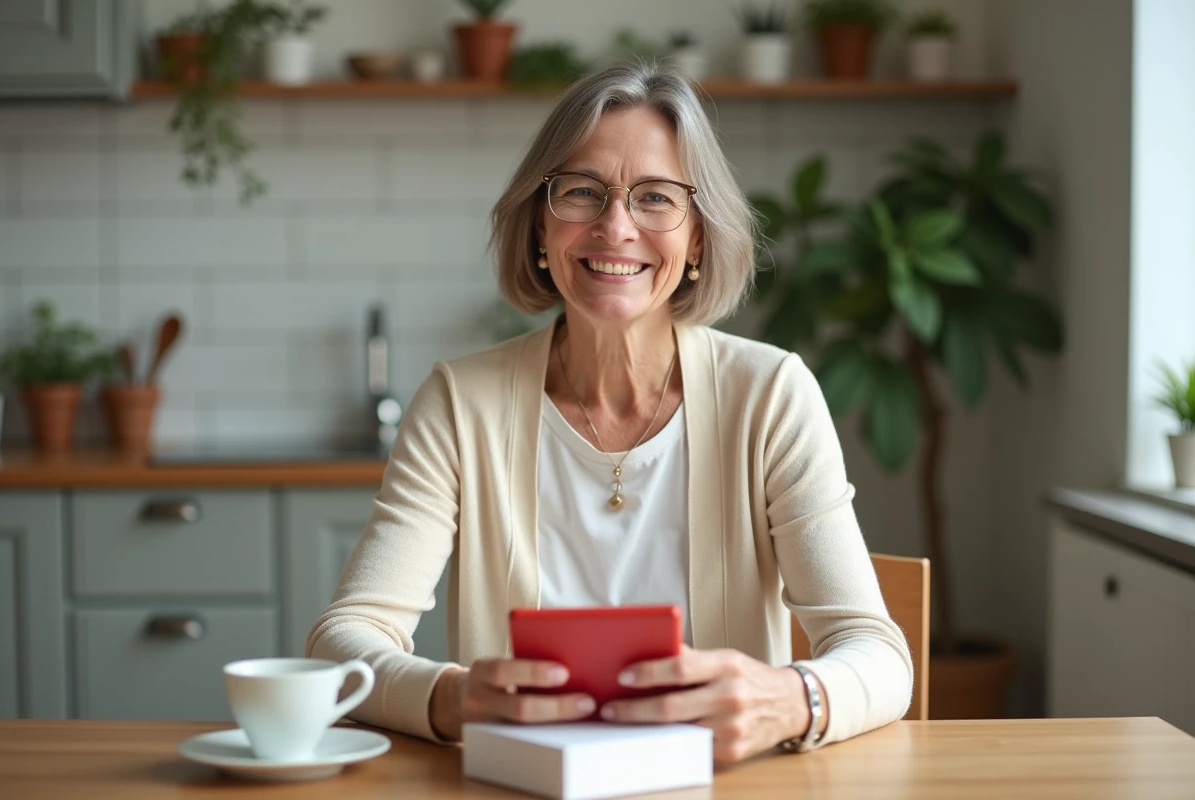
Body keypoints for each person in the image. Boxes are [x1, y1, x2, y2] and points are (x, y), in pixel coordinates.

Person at [307, 61, 911, 763]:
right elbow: (343, 641)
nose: (615, 226)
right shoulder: (458, 404)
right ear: (539, 224)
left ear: (698, 239)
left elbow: (880, 656)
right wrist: (452, 698)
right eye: (582, 192)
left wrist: (788, 699)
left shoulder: (772, 394)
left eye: (655, 198)